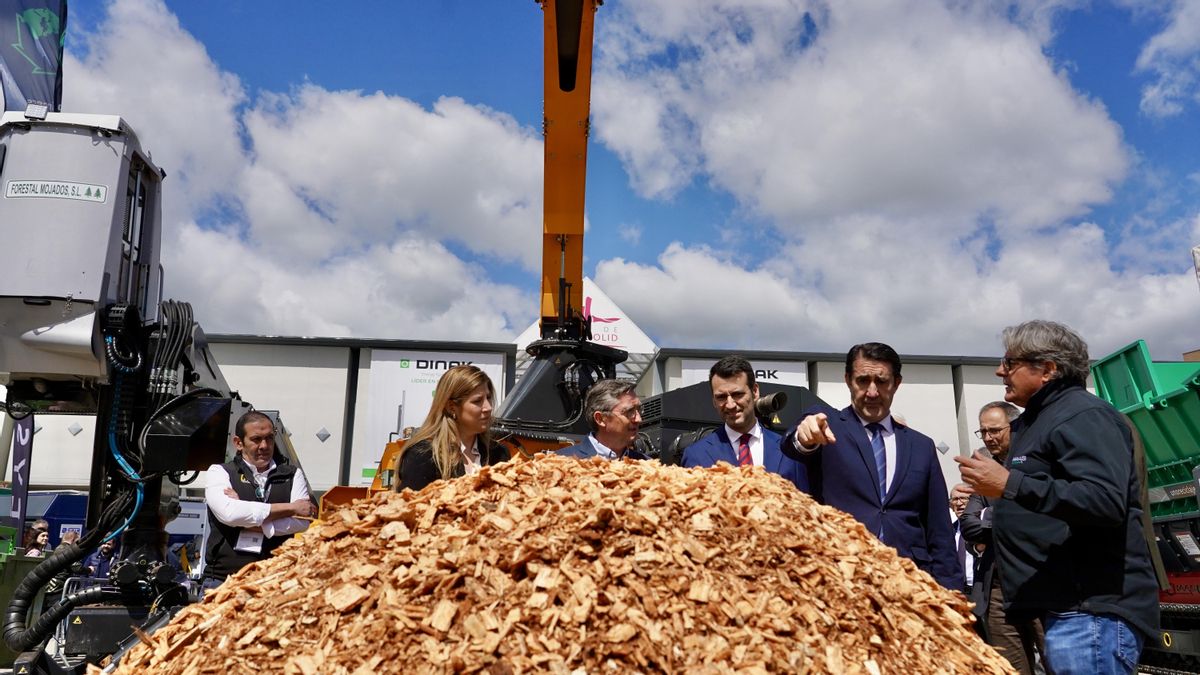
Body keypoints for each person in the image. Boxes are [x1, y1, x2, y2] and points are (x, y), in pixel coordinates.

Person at [956, 320, 1159, 674]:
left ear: (1047, 369)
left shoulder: (1083, 415)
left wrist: (1010, 484)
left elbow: (1104, 499)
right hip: (1066, 610)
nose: (999, 370)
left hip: (1091, 613)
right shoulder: (1042, 420)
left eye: (1010, 362)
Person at [781, 342, 961, 590]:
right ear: (848, 380)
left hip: (911, 585)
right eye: (863, 381)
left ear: (897, 383)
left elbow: (939, 530)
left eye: (882, 382)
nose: (872, 392)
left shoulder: (922, 446)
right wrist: (805, 437)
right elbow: (793, 445)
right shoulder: (828, 425)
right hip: (842, 580)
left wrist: (952, 593)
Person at [961, 401, 1046, 674]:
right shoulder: (983, 473)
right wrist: (1008, 516)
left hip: (1040, 585)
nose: (988, 437)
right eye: (983, 431)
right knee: (1010, 668)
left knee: (1059, 665)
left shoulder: (1036, 464)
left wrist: (991, 515)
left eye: (995, 430)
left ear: (1014, 426)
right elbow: (969, 526)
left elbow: (1041, 517)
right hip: (997, 590)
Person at [204, 410, 314, 588]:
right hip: (224, 580)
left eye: (269, 438)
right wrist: (291, 508)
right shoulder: (220, 472)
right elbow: (230, 514)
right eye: (256, 439)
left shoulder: (292, 475)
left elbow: (302, 522)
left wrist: (247, 516)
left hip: (276, 580)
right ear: (239, 443)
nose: (264, 445)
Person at [681, 356, 807, 491]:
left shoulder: (788, 452)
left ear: (755, 391)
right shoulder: (697, 455)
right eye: (721, 397)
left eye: (737, 394)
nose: (730, 405)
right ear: (713, 401)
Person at [395, 365, 510, 492]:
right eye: (477, 401)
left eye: (488, 397)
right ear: (451, 407)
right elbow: (410, 508)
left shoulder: (499, 454)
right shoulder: (423, 455)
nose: (488, 407)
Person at [558, 380, 649, 461]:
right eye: (629, 412)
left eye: (639, 410)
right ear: (600, 419)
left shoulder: (648, 467)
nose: (638, 419)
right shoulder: (562, 462)